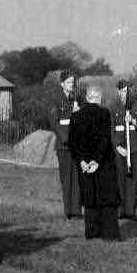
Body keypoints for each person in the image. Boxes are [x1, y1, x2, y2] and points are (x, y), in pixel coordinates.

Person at [69, 85, 122, 240]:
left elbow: (72, 143)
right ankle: (109, 234)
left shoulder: (76, 116)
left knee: (90, 199)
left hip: (84, 164)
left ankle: (92, 233)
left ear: (86, 97)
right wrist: (96, 161)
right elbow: (105, 139)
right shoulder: (104, 113)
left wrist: (82, 161)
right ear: (99, 97)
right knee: (107, 199)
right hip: (103, 163)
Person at [51, 70, 82, 219]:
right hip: (64, 145)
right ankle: (68, 211)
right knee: (67, 178)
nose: (72, 84)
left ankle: (76, 211)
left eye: (73, 82)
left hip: (77, 144)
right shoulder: (56, 100)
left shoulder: (77, 99)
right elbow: (54, 122)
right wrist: (65, 139)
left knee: (77, 177)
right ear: (62, 84)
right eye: (69, 82)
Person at [110, 80, 137, 220]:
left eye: (128, 91)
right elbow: (110, 129)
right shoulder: (112, 106)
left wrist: (134, 121)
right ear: (118, 91)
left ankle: (131, 211)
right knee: (120, 179)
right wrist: (117, 147)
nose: (126, 93)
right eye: (123, 91)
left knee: (133, 179)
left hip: (134, 147)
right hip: (120, 148)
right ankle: (120, 211)